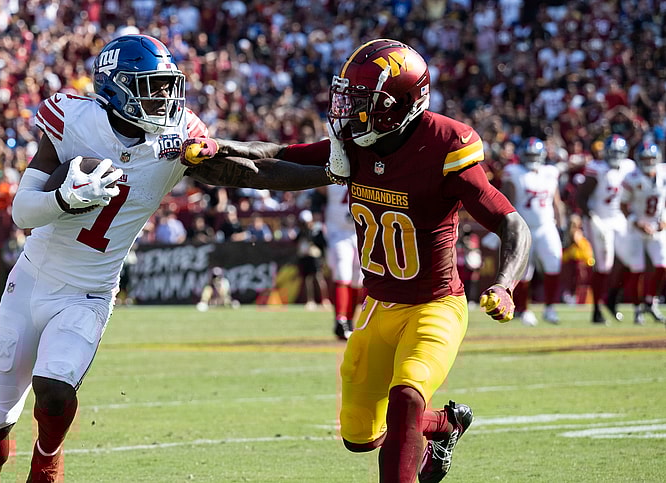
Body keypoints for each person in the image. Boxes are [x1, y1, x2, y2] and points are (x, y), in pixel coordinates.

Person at [0, 34, 329, 483]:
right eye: (151, 86)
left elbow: (257, 167)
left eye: (166, 85)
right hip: (31, 281)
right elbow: (22, 211)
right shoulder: (73, 119)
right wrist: (64, 198)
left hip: (89, 292)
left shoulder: (179, 137)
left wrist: (329, 170)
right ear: (116, 88)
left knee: (55, 388)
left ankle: (47, 456)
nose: (164, 97)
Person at [181, 38, 531, 483]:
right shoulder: (358, 144)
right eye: (348, 97)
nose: (349, 110)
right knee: (361, 436)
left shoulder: (444, 144)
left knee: (406, 398)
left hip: (435, 306)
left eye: (364, 101)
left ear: (402, 103)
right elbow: (275, 158)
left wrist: (504, 284)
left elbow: (511, 223)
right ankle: (445, 425)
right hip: (378, 308)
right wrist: (216, 149)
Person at [501, 137, 566, 325]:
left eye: (534, 155)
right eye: (528, 155)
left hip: (547, 226)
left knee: (554, 264)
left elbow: (556, 202)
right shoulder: (514, 172)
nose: (532, 158)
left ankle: (550, 308)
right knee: (524, 272)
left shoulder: (550, 172)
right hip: (524, 228)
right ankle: (523, 309)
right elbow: (507, 200)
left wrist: (561, 226)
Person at [576, 134, 636, 323]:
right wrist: (591, 217)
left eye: (619, 152)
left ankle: (612, 298)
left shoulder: (629, 167)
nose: (615, 156)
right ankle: (597, 309)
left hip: (618, 217)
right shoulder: (597, 168)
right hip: (599, 218)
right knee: (604, 265)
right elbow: (580, 197)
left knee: (632, 260)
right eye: (612, 152)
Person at [619, 141, 666, 324]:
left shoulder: (663, 173)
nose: (648, 161)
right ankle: (637, 309)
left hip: (657, 227)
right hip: (636, 229)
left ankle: (650, 301)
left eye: (651, 158)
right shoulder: (631, 177)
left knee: (661, 266)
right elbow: (623, 205)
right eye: (645, 158)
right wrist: (636, 222)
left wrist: (664, 220)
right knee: (636, 270)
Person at [320, 183, 363, 339]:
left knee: (358, 281)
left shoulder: (362, 172)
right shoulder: (331, 179)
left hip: (361, 231)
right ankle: (341, 320)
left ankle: (349, 321)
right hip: (338, 233)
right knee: (342, 275)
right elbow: (317, 190)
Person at [296, 209, 332, 310]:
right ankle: (310, 301)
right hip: (305, 257)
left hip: (315, 257)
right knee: (308, 279)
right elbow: (296, 240)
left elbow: (322, 243)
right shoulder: (302, 232)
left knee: (318, 277)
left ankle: (325, 300)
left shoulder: (317, 229)